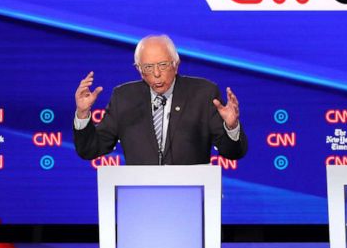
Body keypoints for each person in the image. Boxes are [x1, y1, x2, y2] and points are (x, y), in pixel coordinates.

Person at [73, 34, 248, 165]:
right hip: (139, 198)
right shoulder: (124, 97)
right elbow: (90, 149)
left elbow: (233, 153)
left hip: (192, 197)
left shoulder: (203, 93)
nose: (156, 74)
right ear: (139, 70)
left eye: (163, 65)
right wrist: (82, 113)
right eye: (148, 67)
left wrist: (232, 127)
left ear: (176, 65)